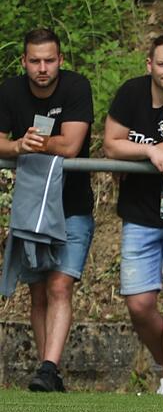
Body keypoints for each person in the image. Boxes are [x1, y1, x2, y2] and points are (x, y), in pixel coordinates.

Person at [102, 33, 163, 396]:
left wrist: (143, 149)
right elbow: (109, 144)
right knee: (139, 303)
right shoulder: (131, 92)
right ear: (149, 64)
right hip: (139, 212)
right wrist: (146, 153)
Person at [0, 28, 95, 393]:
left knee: (60, 285)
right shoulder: (9, 91)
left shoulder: (76, 87)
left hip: (72, 207)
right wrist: (16, 145)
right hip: (29, 208)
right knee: (37, 290)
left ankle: (48, 366)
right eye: (35, 61)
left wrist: (29, 144)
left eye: (49, 60)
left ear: (61, 60)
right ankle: (47, 372)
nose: (42, 68)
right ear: (24, 61)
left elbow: (71, 145)